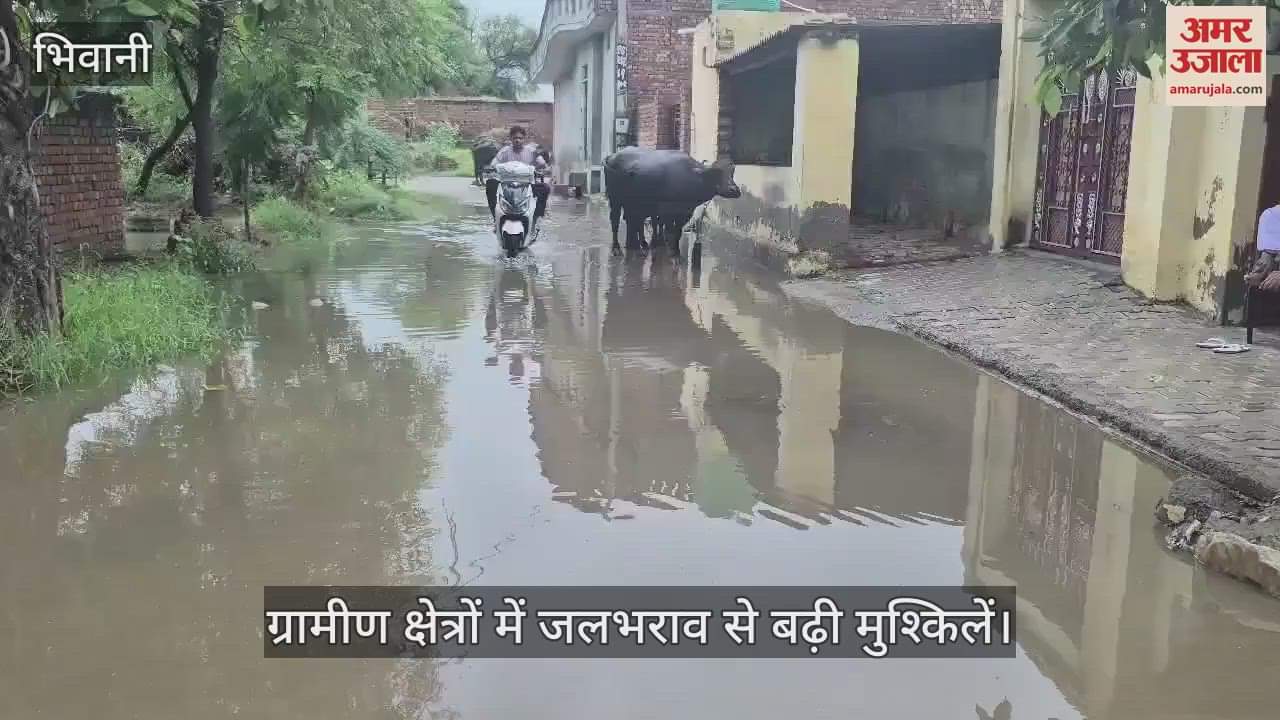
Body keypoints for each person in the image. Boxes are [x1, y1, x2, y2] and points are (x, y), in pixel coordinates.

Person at [486, 125, 550, 222]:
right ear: (511, 138)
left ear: (524, 139)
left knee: (545, 188)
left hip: (527, 184)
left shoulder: (531, 151)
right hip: (506, 184)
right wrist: (491, 168)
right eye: (515, 138)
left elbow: (542, 163)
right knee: (490, 184)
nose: (517, 140)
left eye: (520, 138)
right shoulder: (505, 151)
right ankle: (495, 217)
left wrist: (542, 167)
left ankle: (537, 216)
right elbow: (495, 163)